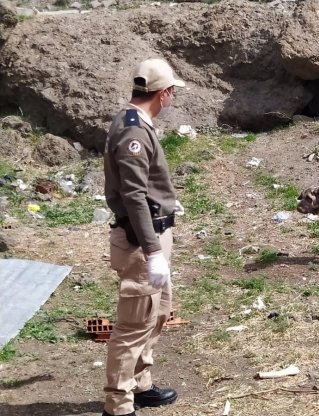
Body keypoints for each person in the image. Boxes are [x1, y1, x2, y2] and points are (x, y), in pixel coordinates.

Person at [102, 58, 185, 416]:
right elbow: (133, 195)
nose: (172, 99)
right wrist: (153, 251)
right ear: (163, 93)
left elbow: (143, 186)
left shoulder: (134, 120)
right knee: (134, 325)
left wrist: (167, 202)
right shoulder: (135, 130)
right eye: (172, 93)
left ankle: (140, 384)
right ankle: (118, 405)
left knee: (159, 312)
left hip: (152, 231)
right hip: (140, 240)